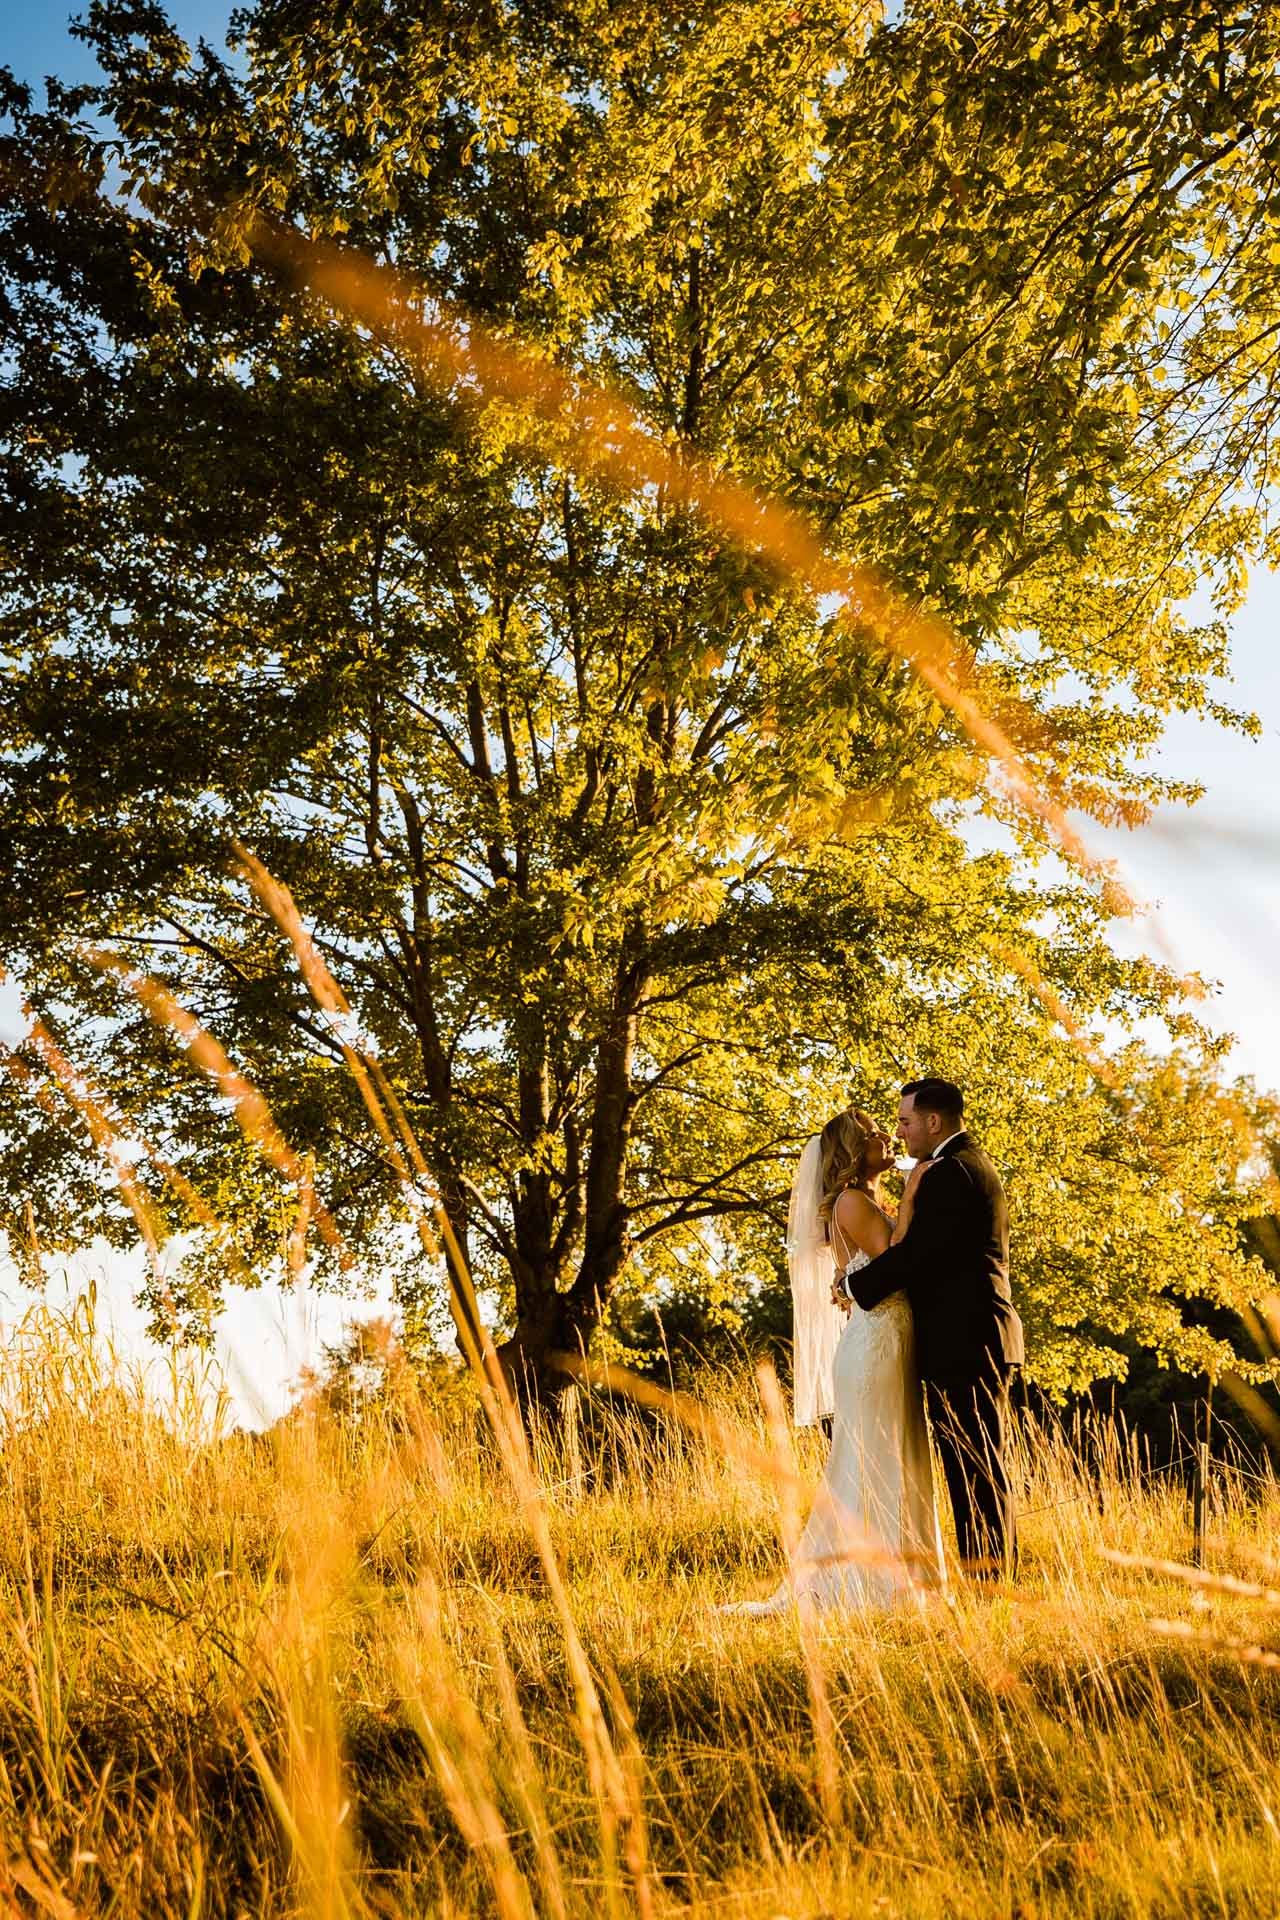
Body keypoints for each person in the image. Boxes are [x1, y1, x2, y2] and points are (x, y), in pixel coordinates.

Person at [729, 1107, 945, 1614]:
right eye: (873, 1134)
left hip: (885, 1339)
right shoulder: (850, 1200)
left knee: (891, 1455)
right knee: (877, 1460)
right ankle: (876, 1585)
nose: (887, 1137)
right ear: (852, 1151)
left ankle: (901, 1576)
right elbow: (894, 1256)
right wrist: (913, 1193)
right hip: (875, 1345)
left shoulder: (863, 1199)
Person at [842, 1078, 1023, 1581]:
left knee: (975, 1466)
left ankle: (992, 1580)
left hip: (966, 1339)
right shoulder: (962, 1165)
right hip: (969, 1337)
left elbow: (917, 1257)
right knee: (972, 1465)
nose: (900, 1132)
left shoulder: (950, 1173)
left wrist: (853, 1285)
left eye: (905, 1121)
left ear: (933, 1121)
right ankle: (988, 1578)